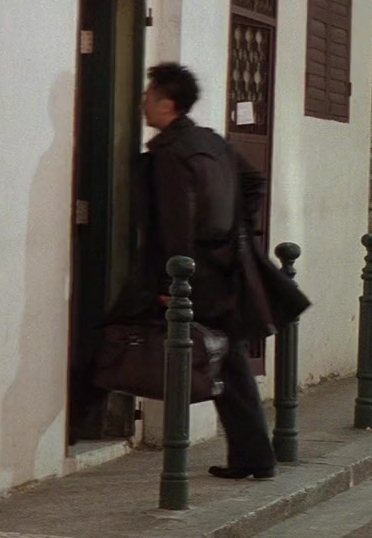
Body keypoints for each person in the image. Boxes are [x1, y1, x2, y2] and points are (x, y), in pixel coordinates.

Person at [108, 62, 291, 479]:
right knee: (231, 363)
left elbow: (175, 224)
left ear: (166, 104)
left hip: (193, 277)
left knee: (124, 343)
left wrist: (175, 282)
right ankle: (254, 457)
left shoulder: (172, 155)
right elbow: (254, 181)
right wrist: (236, 232)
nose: (142, 104)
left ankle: (246, 458)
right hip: (222, 270)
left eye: (148, 97)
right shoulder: (211, 142)